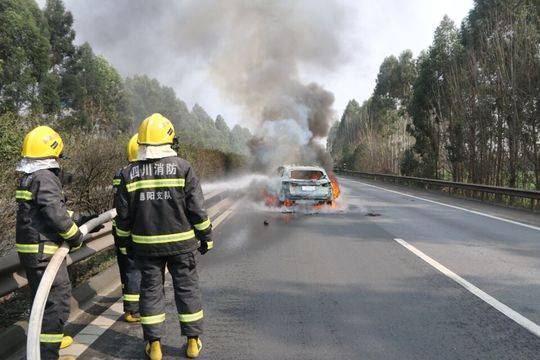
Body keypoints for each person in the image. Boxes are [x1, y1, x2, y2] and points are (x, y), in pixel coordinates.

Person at [115, 113, 213, 359]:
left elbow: (123, 217)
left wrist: (125, 244)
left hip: (146, 248)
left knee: (151, 291)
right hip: (182, 244)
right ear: (169, 138)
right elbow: (197, 210)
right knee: (187, 289)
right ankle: (192, 342)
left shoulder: (129, 174)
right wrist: (205, 236)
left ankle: (155, 346)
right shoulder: (183, 167)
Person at [15, 126, 99, 360]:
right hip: (44, 252)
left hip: (32, 250)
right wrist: (75, 236)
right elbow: (54, 213)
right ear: (52, 153)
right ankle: (49, 353)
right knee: (57, 301)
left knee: (42, 300)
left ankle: (44, 345)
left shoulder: (30, 177)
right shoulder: (46, 177)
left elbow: (45, 212)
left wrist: (80, 219)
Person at [112, 134, 142, 322]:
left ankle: (131, 308)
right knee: (136, 269)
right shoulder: (144, 172)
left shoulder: (121, 173)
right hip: (136, 228)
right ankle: (134, 310)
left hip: (121, 227)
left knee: (127, 268)